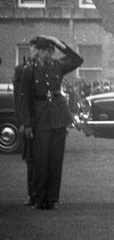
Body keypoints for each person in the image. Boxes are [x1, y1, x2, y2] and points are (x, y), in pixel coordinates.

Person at [21, 36, 84, 210]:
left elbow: (78, 60)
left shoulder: (58, 66)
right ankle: (40, 198)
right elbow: (25, 99)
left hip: (58, 116)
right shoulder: (29, 71)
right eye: (46, 50)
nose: (49, 53)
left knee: (56, 159)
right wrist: (27, 124)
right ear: (38, 51)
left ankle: (52, 198)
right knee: (41, 160)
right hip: (40, 117)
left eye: (51, 50)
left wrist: (59, 43)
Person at [13, 37, 39, 206]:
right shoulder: (22, 70)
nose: (36, 52)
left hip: (44, 118)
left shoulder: (46, 68)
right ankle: (31, 193)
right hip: (30, 118)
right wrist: (23, 121)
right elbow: (19, 98)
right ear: (30, 50)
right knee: (31, 158)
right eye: (34, 49)